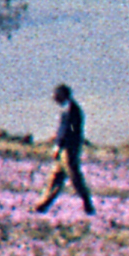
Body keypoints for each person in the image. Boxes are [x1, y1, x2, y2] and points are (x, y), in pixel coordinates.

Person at [35, 84, 92, 214]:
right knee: (55, 178)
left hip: (68, 149)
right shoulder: (68, 109)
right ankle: (42, 206)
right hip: (65, 148)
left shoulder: (72, 110)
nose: (54, 99)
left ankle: (87, 204)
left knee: (74, 178)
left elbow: (68, 131)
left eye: (56, 96)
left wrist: (58, 145)